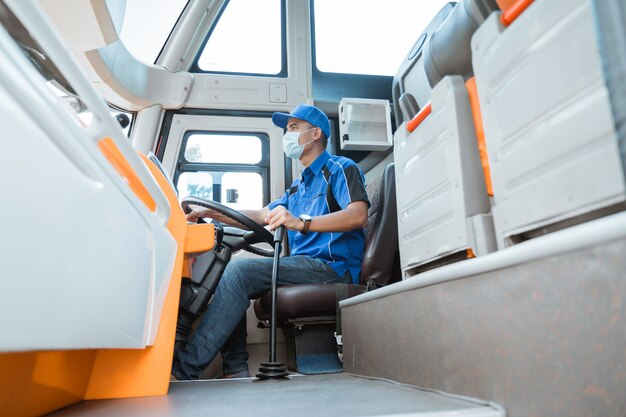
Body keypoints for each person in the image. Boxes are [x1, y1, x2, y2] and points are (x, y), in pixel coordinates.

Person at [171, 104, 369, 380]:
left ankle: (185, 370)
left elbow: (358, 215)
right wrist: (212, 212)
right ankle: (236, 369)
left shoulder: (340, 169)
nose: (287, 135)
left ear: (314, 134)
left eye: (293, 128)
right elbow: (262, 215)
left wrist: (301, 223)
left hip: (333, 267)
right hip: (305, 266)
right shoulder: (297, 187)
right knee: (226, 272)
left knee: (240, 272)